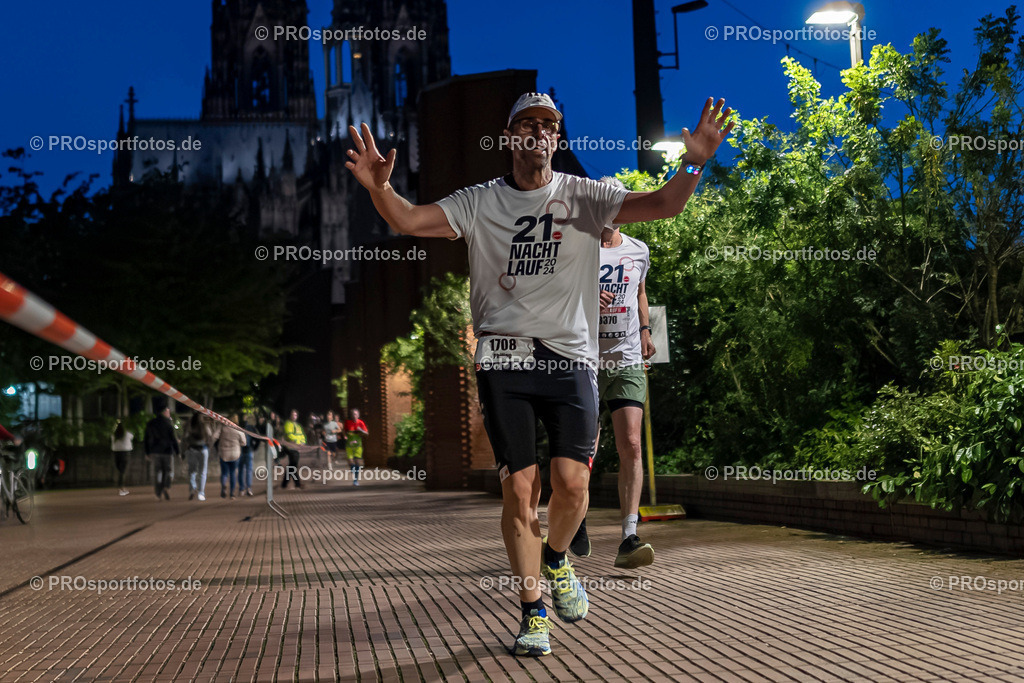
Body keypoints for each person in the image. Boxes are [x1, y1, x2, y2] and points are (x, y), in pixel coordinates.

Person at [345, 92, 733, 656]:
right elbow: (407, 219)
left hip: (572, 360)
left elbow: (665, 204)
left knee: (573, 486)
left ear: (557, 139)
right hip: (503, 360)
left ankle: (556, 558)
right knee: (519, 493)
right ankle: (532, 611)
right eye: (526, 124)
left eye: (548, 125)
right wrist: (380, 187)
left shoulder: (583, 197)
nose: (537, 132)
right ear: (509, 138)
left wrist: (695, 159)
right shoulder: (480, 202)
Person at [570, 180, 657, 568]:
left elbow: (639, 291)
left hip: (626, 357)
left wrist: (645, 331)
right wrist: (588, 290)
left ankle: (629, 535)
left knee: (632, 445)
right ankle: (574, 518)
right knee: (584, 448)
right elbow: (557, 294)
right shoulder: (578, 246)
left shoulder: (638, 249)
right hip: (583, 358)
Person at [144, 402, 179, 500]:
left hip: (155, 451)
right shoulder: (168, 423)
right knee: (167, 471)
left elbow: (146, 439)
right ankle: (166, 486)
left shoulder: (150, 423)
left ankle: (158, 492)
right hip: (167, 451)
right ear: (163, 412)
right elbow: (173, 439)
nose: (169, 413)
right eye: (167, 411)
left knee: (157, 472)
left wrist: (147, 452)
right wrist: (177, 451)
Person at [215, 414, 247, 499]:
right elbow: (244, 443)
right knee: (233, 473)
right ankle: (232, 493)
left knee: (224, 473)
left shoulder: (222, 427)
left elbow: (214, 436)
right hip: (235, 454)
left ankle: (224, 486)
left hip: (223, 453)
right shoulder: (238, 429)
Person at [184, 412, 212, 501]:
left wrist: (183, 451)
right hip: (203, 450)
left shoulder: (189, 425)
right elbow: (210, 436)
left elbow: (185, 438)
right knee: (202, 472)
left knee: (192, 471)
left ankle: (192, 489)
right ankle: (201, 493)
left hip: (192, 450)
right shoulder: (205, 426)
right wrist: (208, 446)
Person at [280, 409, 305, 489]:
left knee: (292, 466)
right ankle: (297, 484)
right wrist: (298, 442)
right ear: (290, 415)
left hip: (296, 448)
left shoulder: (298, 426)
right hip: (290, 447)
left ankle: (284, 484)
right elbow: (289, 435)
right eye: (293, 415)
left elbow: (302, 436)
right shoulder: (288, 424)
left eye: (295, 415)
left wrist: (302, 442)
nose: (294, 416)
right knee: (293, 464)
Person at [343, 408, 368, 486]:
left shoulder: (361, 423)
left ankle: (355, 480)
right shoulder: (348, 422)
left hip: (358, 446)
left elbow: (367, 433)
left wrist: (361, 430)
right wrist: (345, 436)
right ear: (351, 415)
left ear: (358, 415)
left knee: (357, 463)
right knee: (351, 463)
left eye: (356, 414)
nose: (354, 416)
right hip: (349, 445)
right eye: (353, 414)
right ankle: (353, 471)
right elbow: (344, 431)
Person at [110, 420, 133, 496]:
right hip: (125, 453)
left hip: (116, 453)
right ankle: (121, 487)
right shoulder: (127, 434)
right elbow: (132, 436)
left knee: (120, 470)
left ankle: (121, 487)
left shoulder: (114, 435)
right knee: (123, 471)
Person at [238, 413, 256, 496]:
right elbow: (257, 438)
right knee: (247, 470)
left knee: (242, 470)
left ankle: (243, 489)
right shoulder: (250, 427)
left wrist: (254, 447)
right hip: (247, 451)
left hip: (242, 451)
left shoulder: (237, 427)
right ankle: (247, 488)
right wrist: (254, 447)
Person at [322, 410, 341, 475]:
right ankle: (330, 466)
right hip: (327, 441)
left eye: (330, 415)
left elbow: (339, 430)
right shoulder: (325, 424)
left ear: (332, 417)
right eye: (328, 415)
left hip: (333, 440)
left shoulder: (334, 423)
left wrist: (335, 431)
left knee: (334, 454)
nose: (328, 416)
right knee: (328, 453)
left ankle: (333, 460)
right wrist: (324, 433)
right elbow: (323, 431)